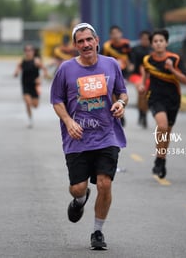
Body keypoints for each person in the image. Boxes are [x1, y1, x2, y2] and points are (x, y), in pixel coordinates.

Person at [50, 23, 128, 250]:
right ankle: (80, 199)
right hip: (78, 138)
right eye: (80, 41)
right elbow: (56, 100)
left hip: (107, 135)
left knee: (105, 184)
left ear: (96, 41)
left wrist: (121, 103)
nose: (85, 44)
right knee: (78, 187)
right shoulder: (65, 69)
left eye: (88, 40)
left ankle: (97, 232)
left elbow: (122, 92)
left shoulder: (111, 64)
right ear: (75, 45)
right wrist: (68, 121)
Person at [138, 29, 186, 179]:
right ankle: (159, 159)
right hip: (155, 97)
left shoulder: (175, 59)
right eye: (155, 41)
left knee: (167, 132)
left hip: (173, 99)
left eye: (161, 41)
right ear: (152, 44)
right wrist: (142, 86)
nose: (158, 43)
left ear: (166, 43)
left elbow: (185, 80)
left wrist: (172, 69)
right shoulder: (147, 60)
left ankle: (161, 159)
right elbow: (145, 76)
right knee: (162, 126)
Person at [101, 25, 131, 126]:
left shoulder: (126, 44)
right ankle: (119, 113)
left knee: (121, 93)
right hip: (111, 73)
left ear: (121, 34)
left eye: (117, 33)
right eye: (113, 33)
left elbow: (130, 57)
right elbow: (101, 60)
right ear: (110, 35)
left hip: (123, 73)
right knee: (113, 93)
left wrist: (131, 65)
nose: (115, 35)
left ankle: (121, 108)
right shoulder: (106, 46)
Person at [14, 44, 49, 128]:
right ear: (24, 52)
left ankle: (31, 113)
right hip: (25, 85)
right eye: (26, 50)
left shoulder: (36, 61)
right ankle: (30, 120)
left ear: (33, 52)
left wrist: (40, 78)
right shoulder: (22, 62)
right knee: (28, 102)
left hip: (35, 86)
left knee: (35, 105)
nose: (28, 52)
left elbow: (45, 70)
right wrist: (16, 73)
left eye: (30, 50)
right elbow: (17, 71)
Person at [129, 30, 152, 129]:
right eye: (143, 39)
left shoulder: (152, 51)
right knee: (141, 91)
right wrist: (130, 65)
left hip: (150, 76)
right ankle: (141, 112)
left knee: (146, 96)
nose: (145, 41)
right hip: (137, 75)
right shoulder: (135, 49)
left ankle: (144, 114)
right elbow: (130, 61)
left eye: (147, 39)